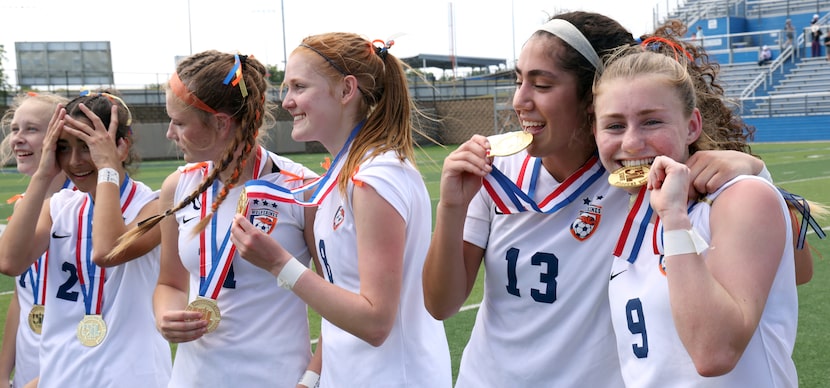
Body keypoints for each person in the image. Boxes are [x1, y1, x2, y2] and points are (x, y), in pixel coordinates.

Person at [421, 12, 766, 387]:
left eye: (542, 84)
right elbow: (441, 304)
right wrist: (451, 208)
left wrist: (753, 171)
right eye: (518, 80)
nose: (519, 100)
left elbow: (790, 267)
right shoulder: (493, 169)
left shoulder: (642, 178)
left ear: (591, 98)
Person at [228, 33, 452, 387]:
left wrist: (278, 264)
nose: (286, 102)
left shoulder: (377, 177)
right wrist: (315, 375)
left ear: (347, 90)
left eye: (299, 86)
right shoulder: (348, 172)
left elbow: (375, 322)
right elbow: (342, 294)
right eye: (287, 88)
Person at [109, 50, 323, 387]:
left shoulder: (302, 189)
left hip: (279, 379)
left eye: (179, 122)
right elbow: (170, 284)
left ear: (221, 123)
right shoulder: (178, 186)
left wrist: (310, 380)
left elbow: (337, 301)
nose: (169, 133)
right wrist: (165, 315)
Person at [593, 43, 803, 386]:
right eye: (614, 126)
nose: (631, 143)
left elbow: (714, 353)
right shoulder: (632, 213)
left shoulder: (738, 198)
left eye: (651, 121)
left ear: (692, 126)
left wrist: (675, 218)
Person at [0, 91, 171, 387]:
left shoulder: (155, 206)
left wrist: (107, 169)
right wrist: (43, 174)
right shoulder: (58, 207)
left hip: (132, 377)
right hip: (62, 376)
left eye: (88, 146)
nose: (76, 160)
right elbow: (9, 262)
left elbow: (106, 250)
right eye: (64, 148)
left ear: (121, 146)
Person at [0, 92, 69, 388]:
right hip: (28, 375)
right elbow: (22, 298)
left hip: (74, 375)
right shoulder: (22, 208)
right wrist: (3, 373)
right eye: (15, 128)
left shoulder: (85, 209)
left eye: (31, 129)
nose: (17, 138)